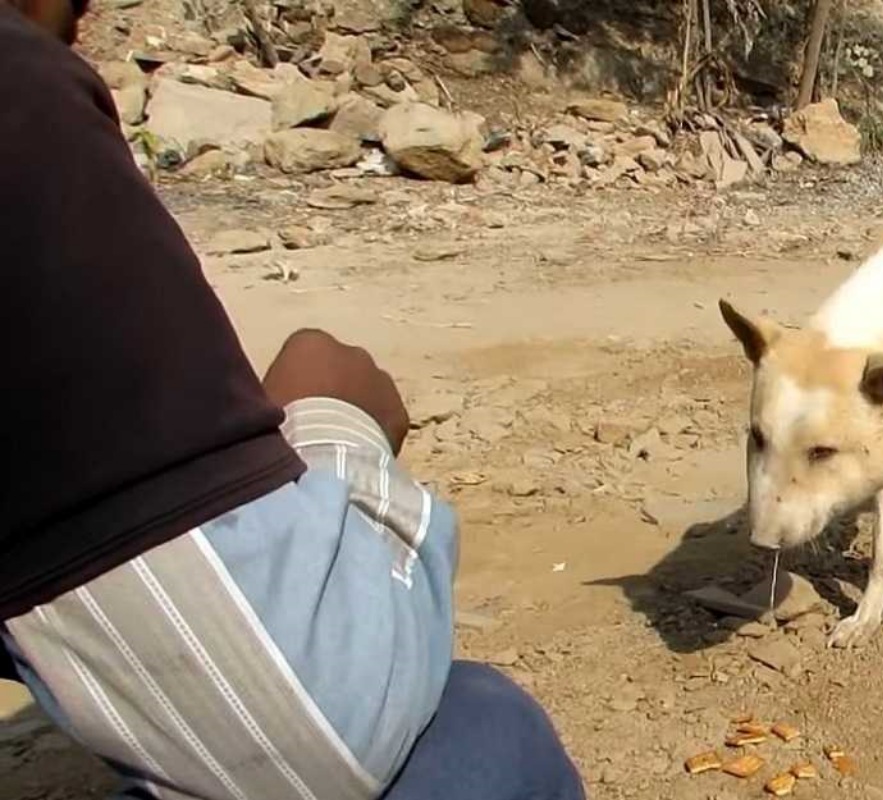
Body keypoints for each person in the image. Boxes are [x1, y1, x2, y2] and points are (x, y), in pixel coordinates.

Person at [0, 2, 586, 799]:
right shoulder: (19, 98)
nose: (85, 15)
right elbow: (312, 739)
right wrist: (335, 426)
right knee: (482, 738)